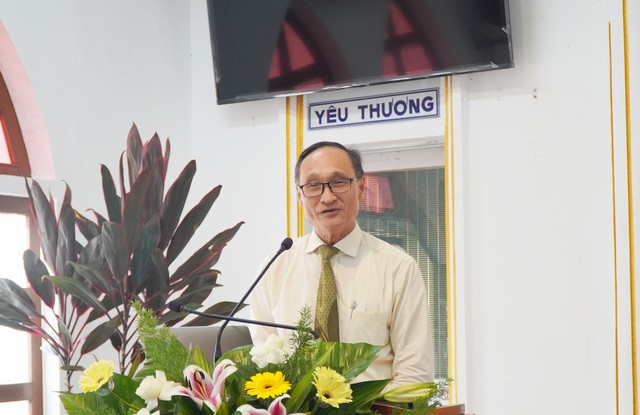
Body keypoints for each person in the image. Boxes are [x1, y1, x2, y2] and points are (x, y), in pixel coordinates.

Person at [249, 141, 434, 389]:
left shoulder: (397, 268)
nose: (327, 197)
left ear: (361, 188)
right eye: (313, 185)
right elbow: (263, 366)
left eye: (338, 182)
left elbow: (415, 373)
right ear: (300, 196)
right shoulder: (275, 266)